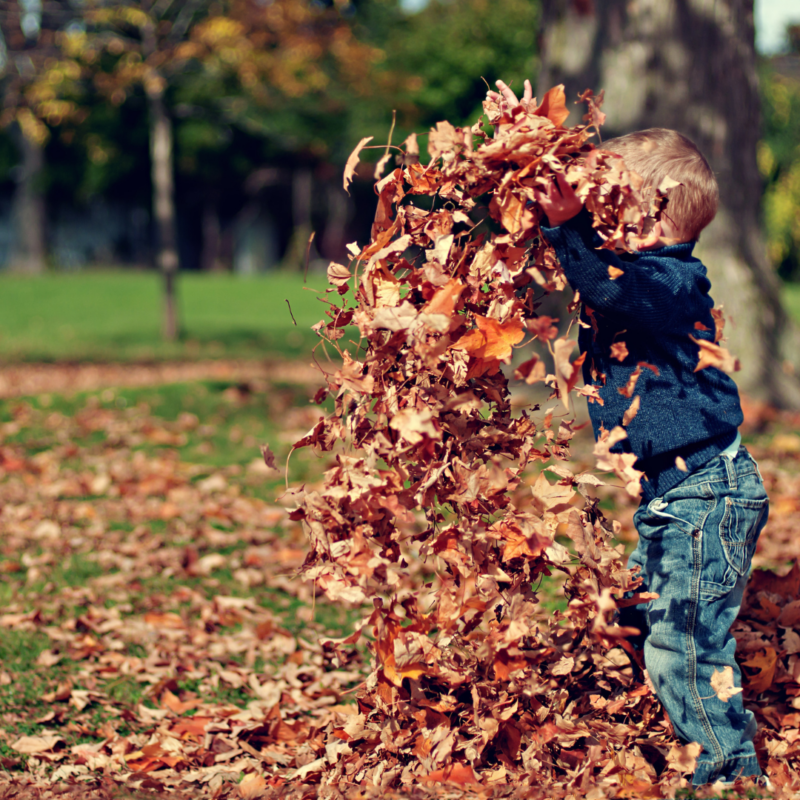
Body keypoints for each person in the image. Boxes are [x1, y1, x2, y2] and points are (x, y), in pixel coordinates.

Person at [489, 80, 770, 788]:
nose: (595, 215)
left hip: (707, 495)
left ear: (649, 218)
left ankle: (730, 773)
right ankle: (703, 725)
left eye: (608, 203)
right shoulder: (637, 272)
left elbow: (609, 287)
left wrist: (567, 228)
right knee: (649, 620)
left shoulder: (671, 282)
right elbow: (598, 279)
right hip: (677, 497)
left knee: (682, 642)